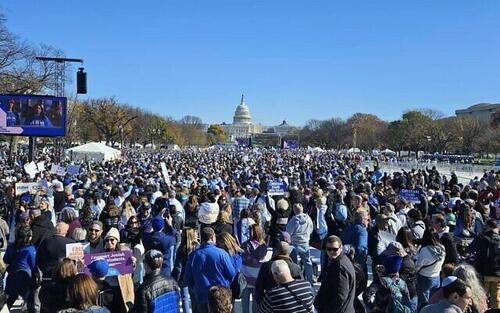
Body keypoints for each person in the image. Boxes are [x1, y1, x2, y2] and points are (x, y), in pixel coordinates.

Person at [184, 227, 237, 313]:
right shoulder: (222, 254)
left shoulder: (193, 255)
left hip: (202, 297)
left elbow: (187, 279)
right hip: (221, 298)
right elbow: (232, 274)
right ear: (212, 237)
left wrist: (196, 289)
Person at [315, 236, 356, 313]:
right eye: (329, 249)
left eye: (335, 249)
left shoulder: (340, 266)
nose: (331, 252)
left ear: (341, 248)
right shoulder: (339, 260)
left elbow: (340, 297)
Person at [254, 240, 303, 306]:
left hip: (272, 303)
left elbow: (258, 289)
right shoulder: (296, 268)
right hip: (292, 304)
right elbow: (301, 288)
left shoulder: (266, 266)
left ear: (276, 251)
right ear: (289, 252)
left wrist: (263, 305)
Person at [3, 227, 36, 309]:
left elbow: (6, 259)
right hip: (25, 276)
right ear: (28, 237)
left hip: (12, 275)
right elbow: (33, 264)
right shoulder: (30, 249)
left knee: (9, 300)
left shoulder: (11, 247)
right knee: (29, 300)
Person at [415, 228, 446, 310]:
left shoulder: (424, 250)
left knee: (423, 302)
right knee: (434, 301)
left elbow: (418, 266)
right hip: (437, 277)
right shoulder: (442, 248)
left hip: (425, 278)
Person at [241, 225, 268, 313]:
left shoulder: (245, 245)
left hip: (245, 277)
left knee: (245, 305)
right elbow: (258, 258)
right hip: (258, 278)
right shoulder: (264, 247)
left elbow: (245, 258)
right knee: (256, 306)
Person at [474, 219, 500, 309]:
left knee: (482, 296)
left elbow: (479, 256)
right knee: (496, 297)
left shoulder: (483, 238)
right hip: (498, 273)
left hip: (485, 272)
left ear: (488, 226)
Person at [172, 228, 199, 313]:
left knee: (185, 298)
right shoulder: (197, 247)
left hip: (183, 277)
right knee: (195, 298)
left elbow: (178, 267)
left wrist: (175, 279)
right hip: (195, 277)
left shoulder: (181, 248)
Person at [286, 203, 314, 283]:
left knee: (294, 263)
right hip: (305, 243)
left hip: (295, 244)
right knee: (308, 263)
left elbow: (288, 232)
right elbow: (311, 229)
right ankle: (309, 280)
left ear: (294, 210)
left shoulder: (293, 220)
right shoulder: (308, 218)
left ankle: (295, 280)